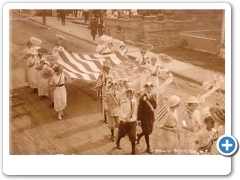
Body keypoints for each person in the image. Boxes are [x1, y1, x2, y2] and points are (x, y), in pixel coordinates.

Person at [137, 82, 157, 154]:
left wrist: (153, 111)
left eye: (151, 88)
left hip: (151, 117)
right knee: (147, 133)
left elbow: (155, 106)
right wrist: (139, 119)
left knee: (149, 131)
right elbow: (139, 109)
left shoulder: (154, 96)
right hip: (144, 118)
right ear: (145, 89)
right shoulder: (142, 98)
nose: (149, 89)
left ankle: (139, 135)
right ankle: (148, 147)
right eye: (147, 88)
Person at [116, 89, 138, 154]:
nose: (132, 96)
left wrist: (136, 120)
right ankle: (118, 141)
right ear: (127, 94)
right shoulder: (123, 102)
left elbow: (135, 112)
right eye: (130, 94)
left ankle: (133, 151)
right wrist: (124, 117)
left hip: (132, 121)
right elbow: (119, 111)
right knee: (121, 134)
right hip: (124, 121)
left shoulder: (134, 101)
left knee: (133, 136)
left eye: (133, 94)